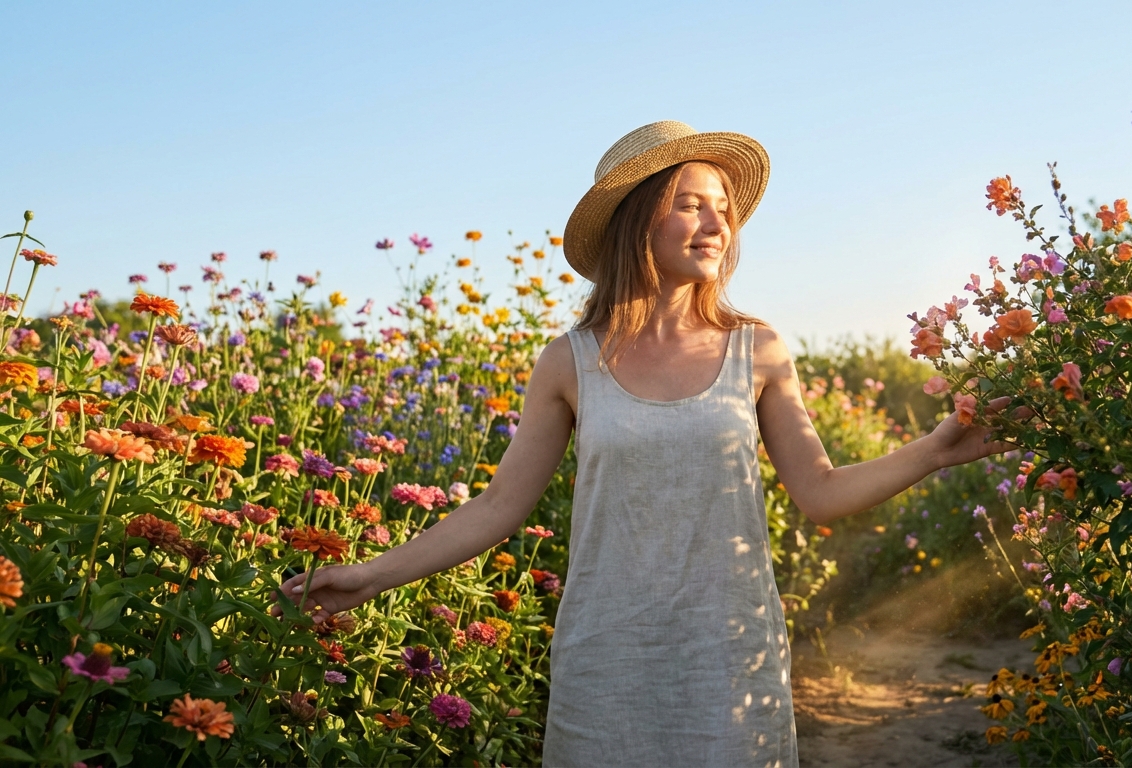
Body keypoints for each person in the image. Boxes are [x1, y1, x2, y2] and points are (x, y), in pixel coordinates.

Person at [277, 121, 1016, 767]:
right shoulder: (569, 362)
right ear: (640, 219)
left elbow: (818, 489)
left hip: (731, 659)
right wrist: (373, 574)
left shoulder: (756, 349)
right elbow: (500, 505)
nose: (716, 225)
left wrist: (935, 451)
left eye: (724, 211)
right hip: (606, 663)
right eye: (691, 204)